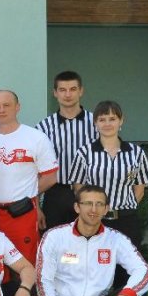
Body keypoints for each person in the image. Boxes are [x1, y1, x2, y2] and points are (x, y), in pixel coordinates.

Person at [0, 90, 57, 296]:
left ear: (18, 106)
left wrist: (28, 196)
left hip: (21, 213)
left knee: (25, 269)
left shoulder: (35, 138)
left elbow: (50, 176)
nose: (1, 110)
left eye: (6, 105)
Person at [70, 100, 148, 258]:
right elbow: (79, 188)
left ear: (121, 121)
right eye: (102, 119)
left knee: (126, 264)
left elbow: (140, 189)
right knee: (95, 263)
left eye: (112, 119)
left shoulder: (136, 153)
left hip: (126, 219)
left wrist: (124, 207)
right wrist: (92, 210)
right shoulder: (84, 152)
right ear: (95, 123)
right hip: (94, 219)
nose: (107, 124)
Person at [37, 71, 98, 229]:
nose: (68, 94)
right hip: (55, 194)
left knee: (89, 242)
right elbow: (34, 170)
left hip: (89, 192)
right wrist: (36, 206)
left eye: (72, 89)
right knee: (56, 244)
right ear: (55, 93)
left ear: (81, 91)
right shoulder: (43, 127)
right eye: (63, 90)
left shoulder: (97, 124)